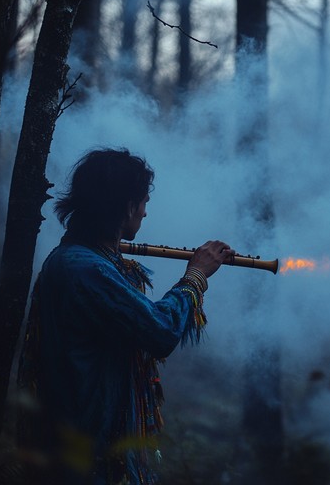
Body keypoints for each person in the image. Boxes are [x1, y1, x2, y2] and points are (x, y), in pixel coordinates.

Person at [16, 148, 234, 485]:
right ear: (127, 206)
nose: (145, 213)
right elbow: (161, 331)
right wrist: (196, 275)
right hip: (85, 459)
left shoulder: (84, 259)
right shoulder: (85, 268)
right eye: (143, 202)